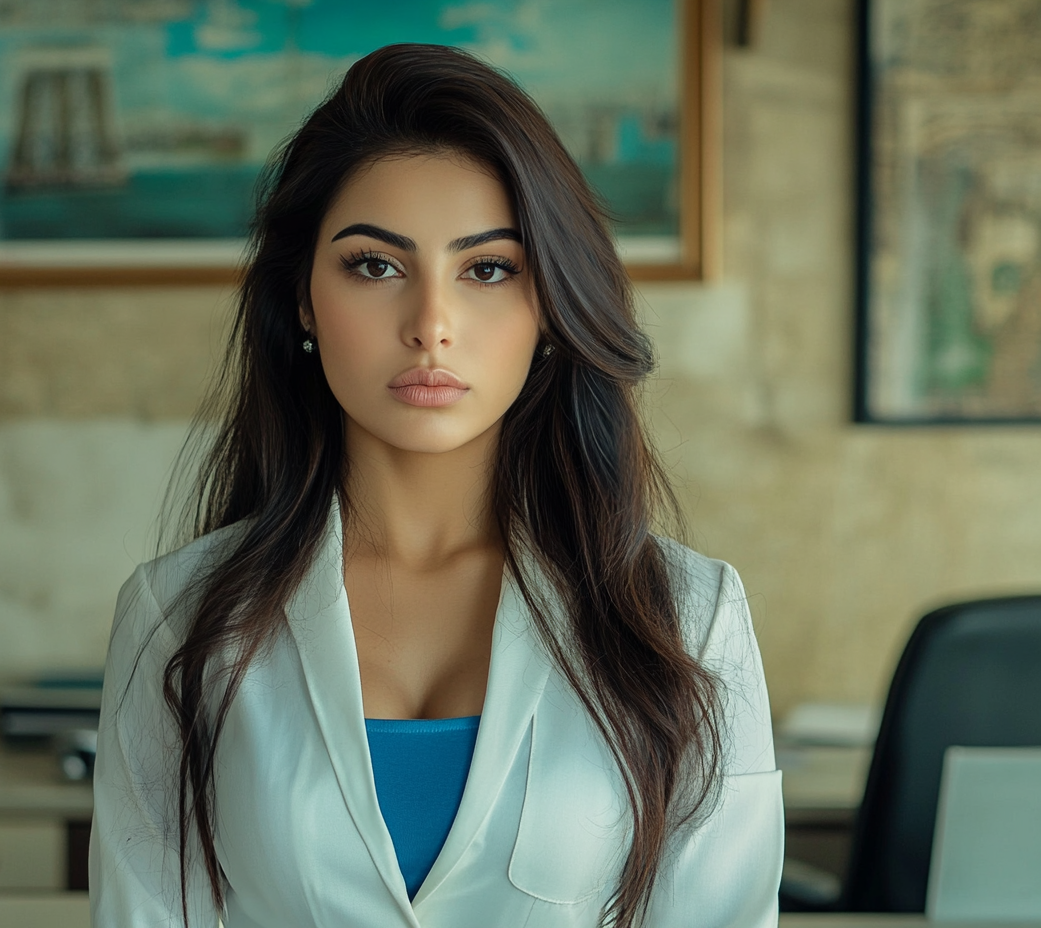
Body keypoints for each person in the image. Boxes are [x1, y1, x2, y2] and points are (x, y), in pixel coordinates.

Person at [89, 43, 782, 928]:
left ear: (551, 306)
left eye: (488, 269)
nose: (431, 326)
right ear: (302, 298)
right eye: (375, 266)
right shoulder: (177, 615)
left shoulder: (690, 616)